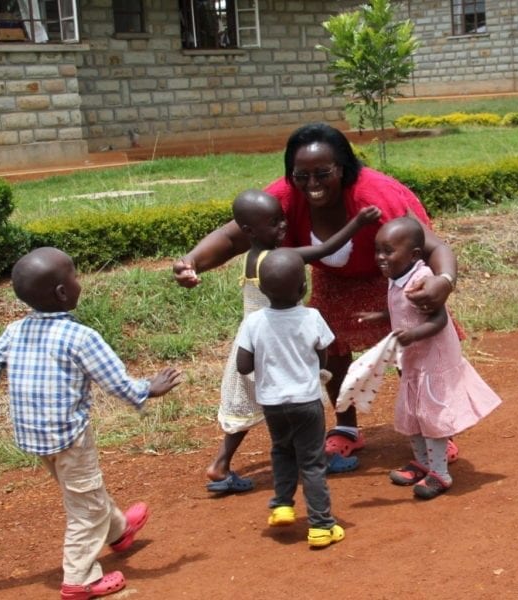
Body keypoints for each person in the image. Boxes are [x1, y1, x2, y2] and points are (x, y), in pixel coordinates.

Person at [174, 123, 459, 470]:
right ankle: (346, 427)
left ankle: (435, 428)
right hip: (332, 277)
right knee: (332, 349)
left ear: (343, 169)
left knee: (411, 351)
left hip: (386, 276)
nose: (312, 185)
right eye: (302, 175)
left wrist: (443, 280)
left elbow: (431, 244)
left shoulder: (376, 196)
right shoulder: (286, 195)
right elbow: (235, 236)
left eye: (323, 174)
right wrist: (191, 262)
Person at [0, 247, 184, 600]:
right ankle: (80, 579)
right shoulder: (82, 338)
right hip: (69, 438)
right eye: (74, 276)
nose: (79, 282)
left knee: (83, 491)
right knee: (86, 507)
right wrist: (147, 390)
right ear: (63, 292)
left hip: (34, 437)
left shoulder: (15, 330)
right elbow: (116, 383)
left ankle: (119, 532)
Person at [204, 189, 381, 492]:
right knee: (301, 402)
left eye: (282, 219)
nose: (283, 227)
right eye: (273, 223)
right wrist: (358, 222)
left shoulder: (253, 257)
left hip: (254, 341)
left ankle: (220, 464)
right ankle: (317, 459)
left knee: (252, 405)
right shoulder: (278, 259)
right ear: (248, 231)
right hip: (281, 344)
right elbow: (325, 249)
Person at [356, 218, 501, 499]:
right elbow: (404, 310)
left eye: (388, 251)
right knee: (412, 413)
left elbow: (438, 319)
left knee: (431, 416)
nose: (380, 258)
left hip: (432, 362)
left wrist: (413, 335)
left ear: (413, 256)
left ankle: (440, 474)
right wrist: (382, 316)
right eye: (377, 251)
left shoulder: (421, 280)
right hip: (413, 361)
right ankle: (421, 462)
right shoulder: (395, 278)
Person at [233, 248, 344, 547]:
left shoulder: (254, 322)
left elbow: (243, 365)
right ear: (303, 287)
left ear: (262, 289)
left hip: (272, 403)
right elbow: (324, 355)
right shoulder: (312, 317)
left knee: (282, 451)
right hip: (306, 402)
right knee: (311, 462)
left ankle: (282, 505)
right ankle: (321, 525)